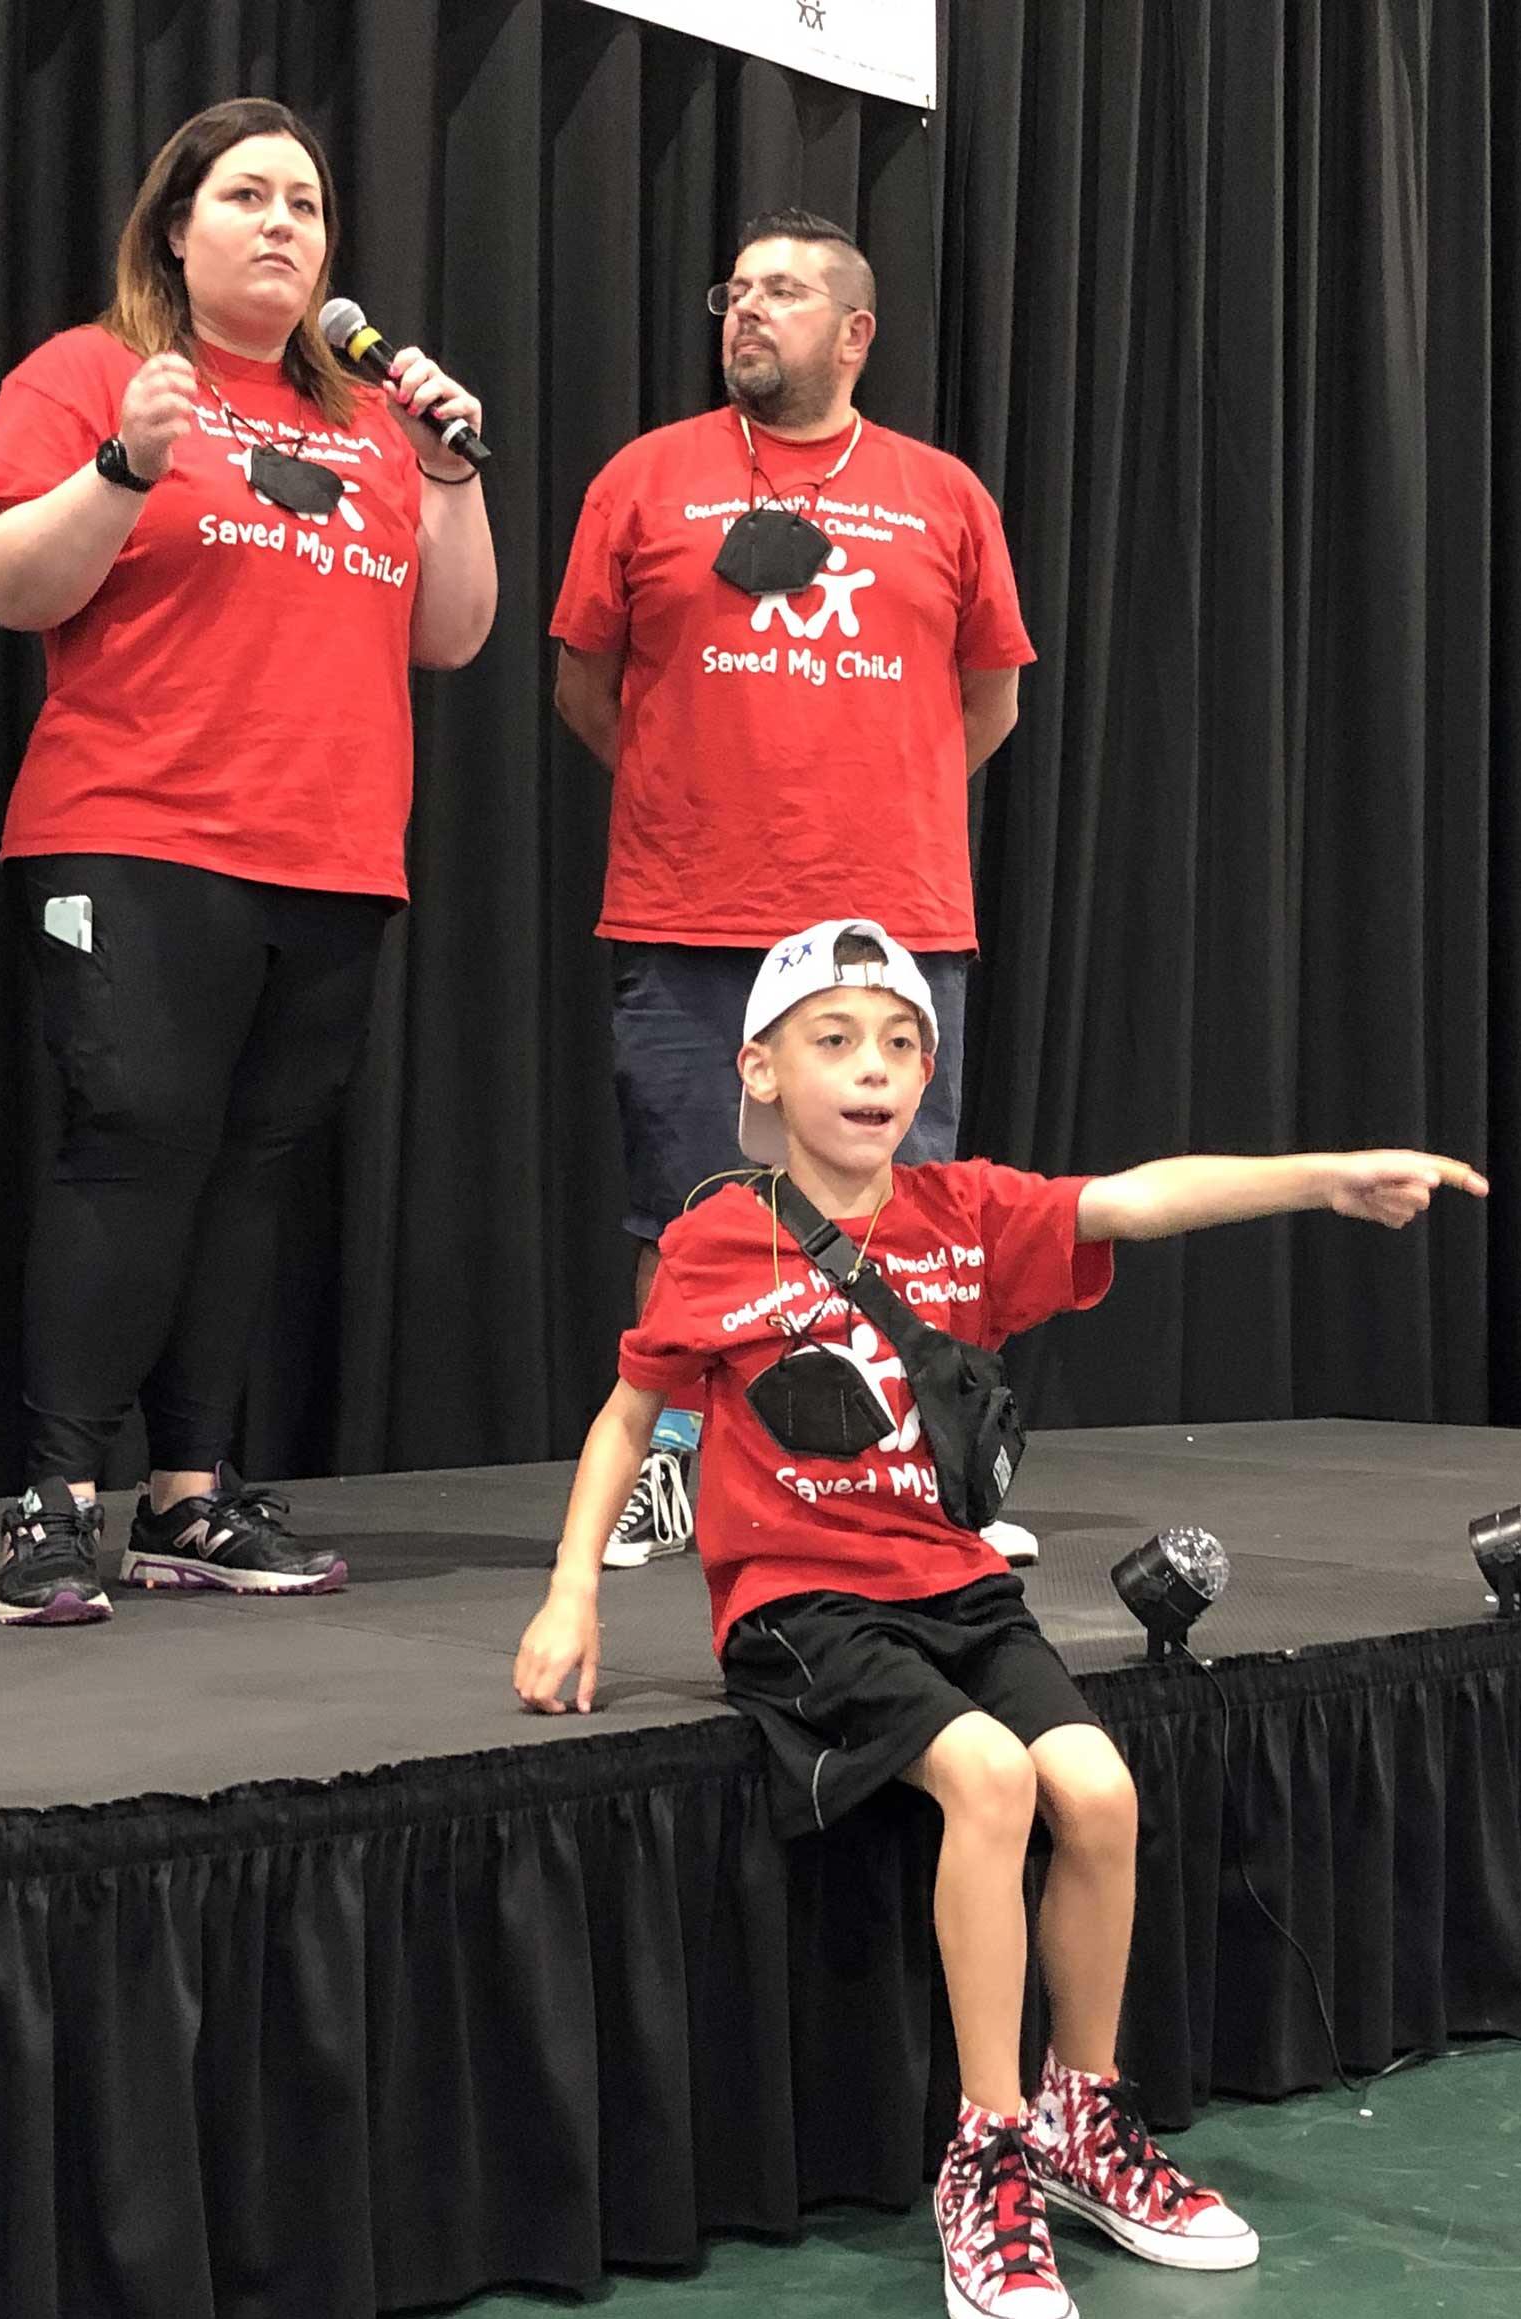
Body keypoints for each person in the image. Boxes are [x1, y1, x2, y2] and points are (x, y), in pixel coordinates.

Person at [515, 917, 1488, 2319]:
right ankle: (987, 2152)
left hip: (953, 1584)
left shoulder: (962, 1212)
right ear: (762, 1070)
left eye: (902, 1045)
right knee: (990, 1776)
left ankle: (1083, 2117)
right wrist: (571, 1595)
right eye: (835, 1041)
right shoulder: (717, 1237)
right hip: (801, 1603)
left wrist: (1324, 1179)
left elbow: (1139, 1201)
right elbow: (627, 1416)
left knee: (1094, 1787)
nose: (874, 1070)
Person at [0, 97, 496, 1627]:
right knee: (134, 1143)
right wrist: (123, 465)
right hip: (134, 831)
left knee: (249, 1178)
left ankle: (191, 1496)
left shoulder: (373, 420)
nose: (283, 225)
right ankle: (57, 1501)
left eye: (307, 205)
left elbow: (452, 633)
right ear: (175, 230)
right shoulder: (93, 373)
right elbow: (4, 579)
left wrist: (450, 470)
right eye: (247, 196)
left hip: (331, 853)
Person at [551, 210, 1035, 1569]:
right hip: (690, 903)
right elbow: (587, 686)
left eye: (784, 292)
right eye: (736, 290)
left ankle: (914, 1462)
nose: (748, 311)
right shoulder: (645, 479)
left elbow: (987, 699)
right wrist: (699, 783)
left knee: (905, 1200)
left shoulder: (945, 495)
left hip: (890, 917)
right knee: (688, 1204)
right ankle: (678, 1474)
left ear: (856, 332)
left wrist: (873, 794)